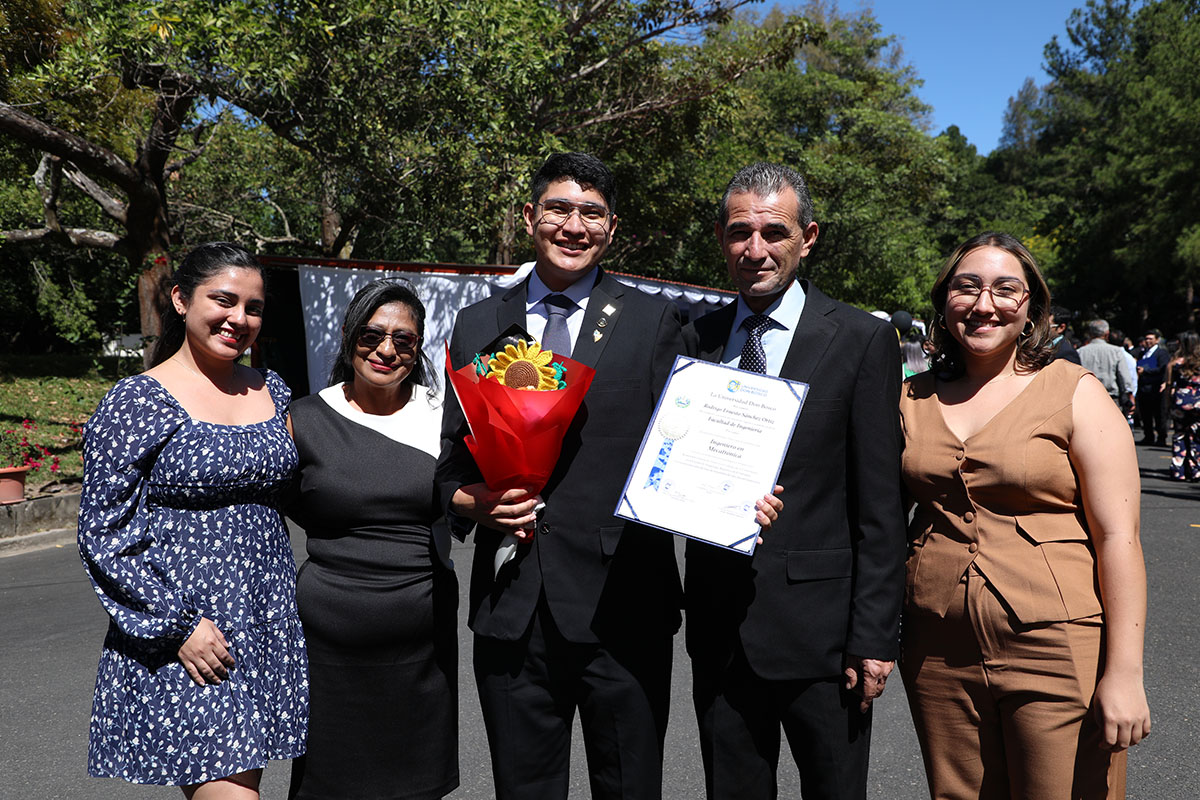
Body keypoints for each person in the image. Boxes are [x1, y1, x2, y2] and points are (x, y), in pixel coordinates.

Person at [437, 152, 776, 800]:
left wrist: (739, 491)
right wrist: (471, 503)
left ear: (612, 228)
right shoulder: (480, 323)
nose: (574, 225)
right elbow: (451, 461)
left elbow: (701, 435)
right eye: (559, 208)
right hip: (513, 609)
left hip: (625, 611)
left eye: (591, 213)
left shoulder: (656, 322)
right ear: (530, 216)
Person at [683, 162, 906, 800]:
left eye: (773, 233)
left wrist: (872, 637)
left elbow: (880, 507)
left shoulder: (862, 340)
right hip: (722, 632)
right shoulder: (695, 338)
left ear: (808, 238)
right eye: (739, 233)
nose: (755, 250)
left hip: (826, 639)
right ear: (721, 239)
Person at [900, 232, 1151, 799]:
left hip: (1056, 645)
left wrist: (1126, 672)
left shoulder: (1075, 392)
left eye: (1004, 289)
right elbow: (864, 505)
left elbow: (1119, 537)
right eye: (966, 287)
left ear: (1033, 307)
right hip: (937, 648)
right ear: (944, 303)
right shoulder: (909, 396)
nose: (983, 304)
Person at [77, 242, 307, 797]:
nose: (240, 319)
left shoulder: (272, 390)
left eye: (253, 307)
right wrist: (176, 623)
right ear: (180, 299)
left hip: (267, 619)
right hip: (195, 632)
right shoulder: (137, 400)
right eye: (223, 300)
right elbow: (102, 533)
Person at [286, 279, 458, 799]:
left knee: (415, 783)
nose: (386, 350)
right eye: (371, 335)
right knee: (329, 783)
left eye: (403, 340)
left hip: (421, 646)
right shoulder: (303, 419)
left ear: (418, 347)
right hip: (328, 646)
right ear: (347, 337)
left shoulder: (446, 415)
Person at [1166, 330, 1200, 481]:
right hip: (1198, 402)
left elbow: (1168, 384)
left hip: (1180, 401)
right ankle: (1196, 469)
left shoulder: (1175, 362)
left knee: (1179, 434)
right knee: (1196, 435)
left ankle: (1178, 469)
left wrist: (1168, 403)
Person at [1078, 318, 1131, 407]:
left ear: (1090, 334)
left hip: (1087, 399)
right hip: (1111, 399)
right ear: (1107, 333)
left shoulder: (1080, 352)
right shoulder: (1116, 351)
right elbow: (1124, 377)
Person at [1135, 329, 1170, 445]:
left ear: (1157, 340)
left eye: (1151, 338)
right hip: (1144, 388)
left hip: (1156, 387)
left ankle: (1161, 437)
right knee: (1146, 414)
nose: (1148, 341)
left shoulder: (1162, 353)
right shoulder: (1142, 353)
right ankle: (1148, 436)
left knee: (1159, 414)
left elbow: (1162, 369)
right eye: (1146, 338)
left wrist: (1146, 370)